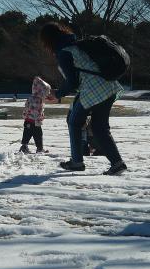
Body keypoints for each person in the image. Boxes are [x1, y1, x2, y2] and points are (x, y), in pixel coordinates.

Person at [38, 22, 126, 175]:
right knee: (99, 127)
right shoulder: (77, 45)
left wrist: (57, 94)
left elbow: (72, 82)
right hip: (109, 86)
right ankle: (117, 163)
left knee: (74, 121)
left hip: (93, 91)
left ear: (48, 40)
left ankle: (77, 162)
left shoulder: (64, 52)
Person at [20, 75, 52, 153]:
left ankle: (24, 146)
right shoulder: (39, 100)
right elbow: (37, 111)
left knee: (27, 133)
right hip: (35, 122)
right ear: (41, 91)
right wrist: (40, 119)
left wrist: (25, 115)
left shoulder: (30, 97)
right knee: (38, 135)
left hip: (28, 120)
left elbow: (26, 107)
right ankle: (39, 148)